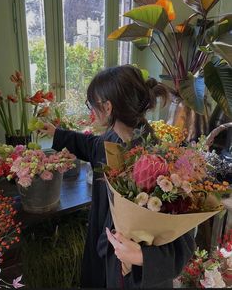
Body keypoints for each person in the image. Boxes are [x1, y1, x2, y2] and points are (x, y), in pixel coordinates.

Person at [41, 64, 196, 288]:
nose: (91, 111)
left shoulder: (157, 161)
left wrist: (142, 256)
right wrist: (58, 134)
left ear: (107, 107)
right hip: (105, 254)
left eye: (91, 104)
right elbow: (91, 145)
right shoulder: (113, 138)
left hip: (135, 277)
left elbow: (185, 241)